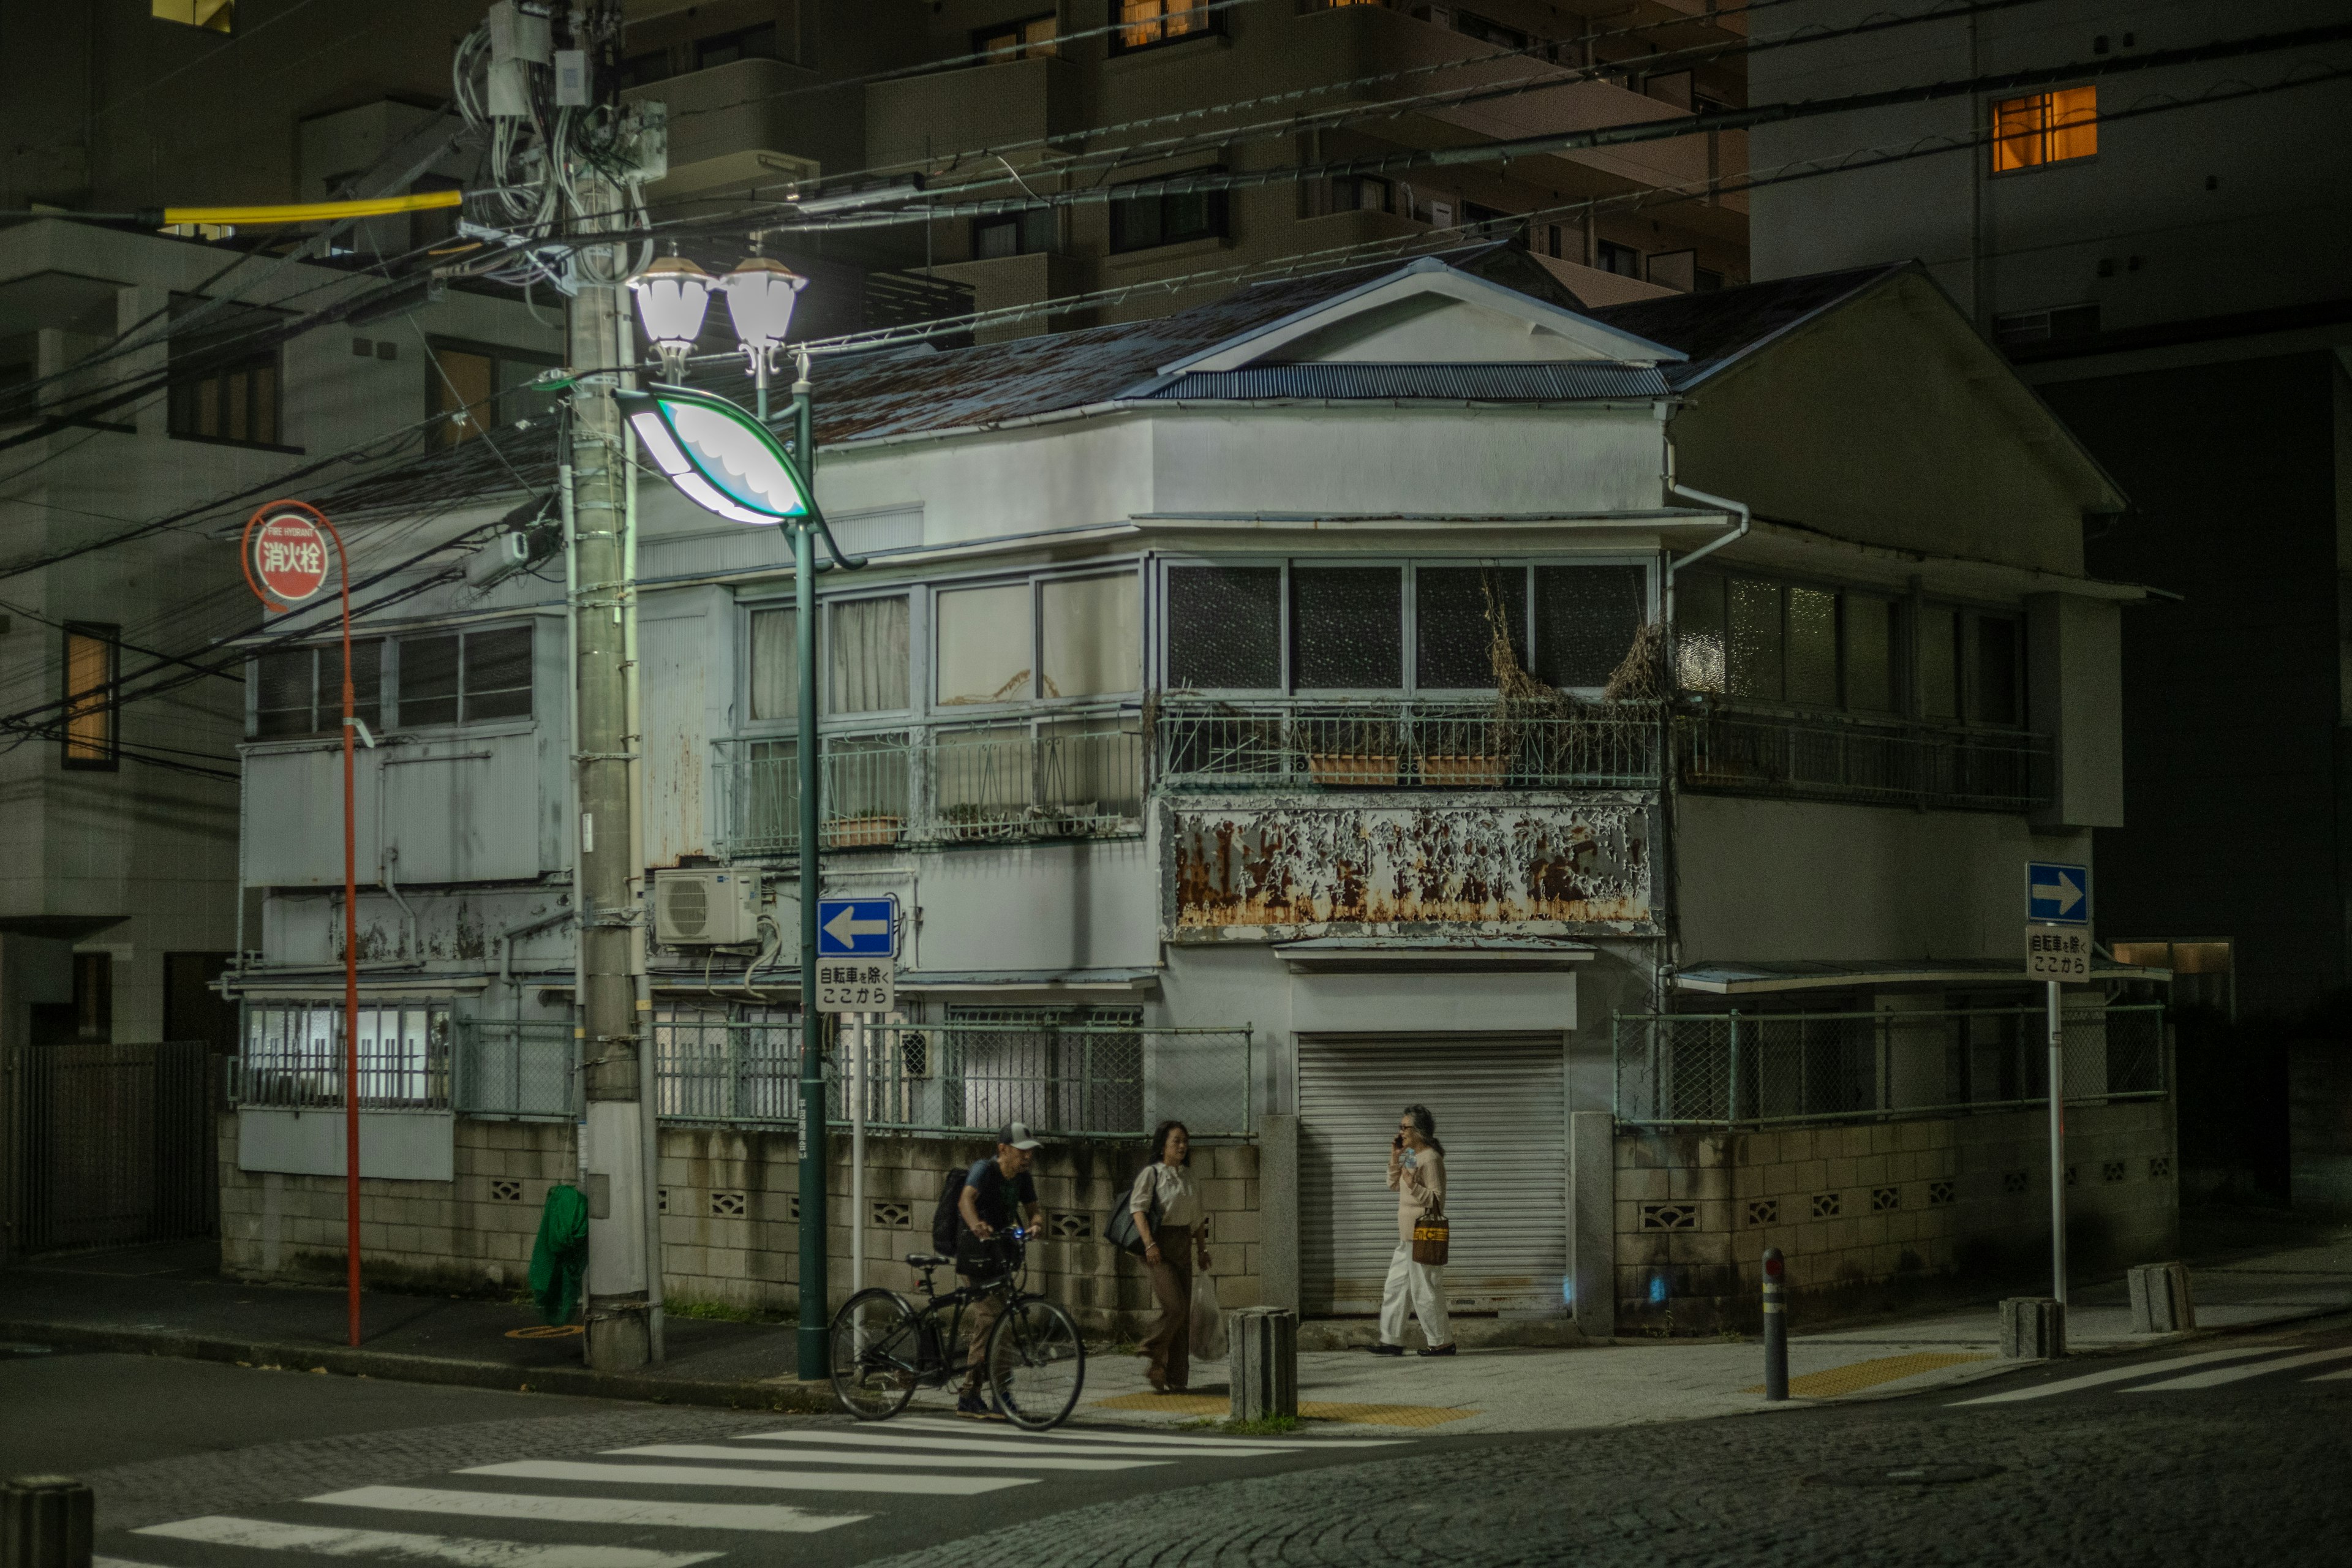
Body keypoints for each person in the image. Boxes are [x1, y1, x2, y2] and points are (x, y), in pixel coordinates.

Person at [954, 1120, 1047, 1416]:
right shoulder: (985, 1169)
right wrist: (976, 1225)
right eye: (1022, 1151)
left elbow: (1034, 1210)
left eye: (1030, 1152)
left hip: (1003, 1256)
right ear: (1003, 1149)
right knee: (994, 1320)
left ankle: (977, 1395)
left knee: (997, 1324)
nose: (1027, 1157)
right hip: (978, 1256)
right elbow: (965, 1200)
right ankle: (992, 1394)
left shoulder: (1022, 1177)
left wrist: (1036, 1224)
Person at [1129, 1120, 1212, 1394]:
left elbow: (1198, 1219)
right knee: (1175, 1307)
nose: (1182, 1146)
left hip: (1182, 1245)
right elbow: (1138, 1210)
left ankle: (1175, 1377)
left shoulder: (1190, 1177)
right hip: (1158, 1246)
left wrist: (1201, 1251)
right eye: (1176, 1141)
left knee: (1183, 1316)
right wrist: (1150, 1244)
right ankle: (1151, 1349)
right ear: (1163, 1145)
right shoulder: (1152, 1174)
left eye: (1185, 1141)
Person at [1371, 1102, 1453, 1357]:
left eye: (1405, 1127)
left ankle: (1441, 1342)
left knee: (1425, 1291)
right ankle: (1391, 1340)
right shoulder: (1410, 1154)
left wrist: (1413, 1183)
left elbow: (1437, 1199)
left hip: (1423, 1235)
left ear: (1419, 1131)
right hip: (1406, 1236)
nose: (1401, 1132)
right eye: (1401, 1127)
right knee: (1395, 1288)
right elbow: (1394, 1185)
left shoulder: (1430, 1158)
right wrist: (1395, 1158)